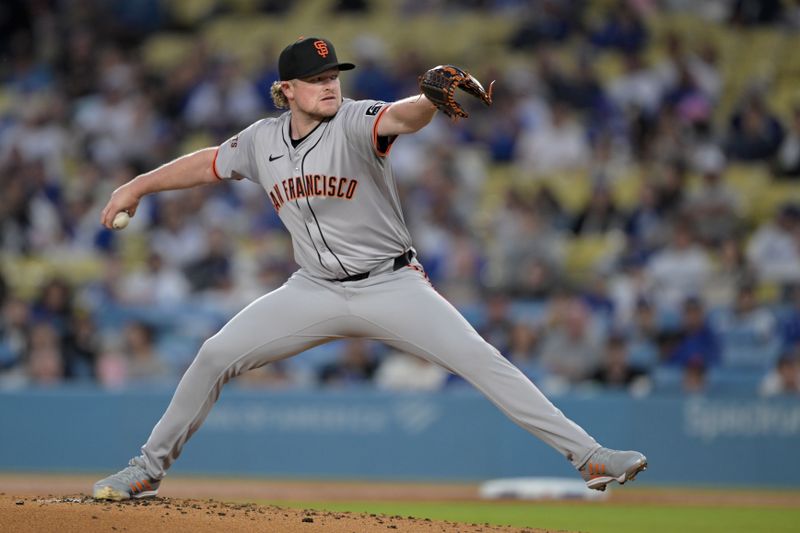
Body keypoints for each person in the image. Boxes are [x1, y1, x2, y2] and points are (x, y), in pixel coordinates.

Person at [92, 37, 646, 501]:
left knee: (482, 359)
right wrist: (134, 186)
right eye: (316, 78)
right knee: (213, 354)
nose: (330, 84)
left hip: (391, 284)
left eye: (334, 74)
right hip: (311, 289)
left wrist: (430, 96)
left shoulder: (356, 121)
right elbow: (207, 163)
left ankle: (589, 457)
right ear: (287, 90)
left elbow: (404, 114)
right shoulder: (262, 140)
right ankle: (147, 468)